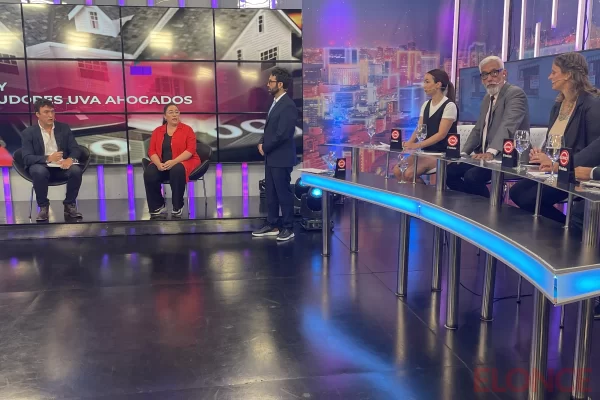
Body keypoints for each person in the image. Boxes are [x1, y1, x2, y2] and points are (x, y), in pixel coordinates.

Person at [509, 52, 600, 223]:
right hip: (554, 170)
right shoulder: (558, 105)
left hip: (574, 173)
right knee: (516, 192)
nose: (549, 77)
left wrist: (561, 165)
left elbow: (595, 149)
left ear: (568, 74)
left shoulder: (592, 103)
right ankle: (561, 227)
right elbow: (553, 141)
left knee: (528, 199)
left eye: (554, 72)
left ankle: (570, 229)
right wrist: (542, 155)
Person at [446, 56, 530, 197]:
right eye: (485, 75)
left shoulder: (515, 94)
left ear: (504, 73)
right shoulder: (487, 98)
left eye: (494, 73)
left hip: (509, 157)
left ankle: (489, 205)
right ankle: (471, 203)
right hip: (485, 157)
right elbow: (478, 128)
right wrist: (464, 153)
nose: (489, 78)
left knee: (472, 176)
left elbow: (508, 125)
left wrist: (491, 152)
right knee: (450, 172)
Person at [252, 67, 298, 241]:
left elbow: (282, 134)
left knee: (283, 194)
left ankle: (288, 227)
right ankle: (272, 224)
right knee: (271, 193)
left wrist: (266, 147)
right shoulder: (275, 102)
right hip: (271, 157)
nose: (267, 84)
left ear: (280, 84)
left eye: (270, 81)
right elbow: (270, 129)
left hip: (281, 157)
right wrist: (261, 141)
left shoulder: (288, 105)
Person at [21, 99, 83, 221]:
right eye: (46, 112)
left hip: (61, 166)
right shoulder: (28, 133)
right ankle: (43, 207)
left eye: (52, 111)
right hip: (41, 165)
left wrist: (70, 159)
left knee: (75, 170)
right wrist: (48, 158)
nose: (50, 115)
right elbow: (27, 158)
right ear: (37, 114)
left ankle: (69, 205)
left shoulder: (63, 128)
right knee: (39, 171)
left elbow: (76, 149)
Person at [393, 69, 457, 182]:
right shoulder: (426, 105)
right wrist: (409, 144)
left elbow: (441, 134)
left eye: (427, 82)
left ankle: (421, 193)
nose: (424, 85)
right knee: (397, 170)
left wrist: (417, 145)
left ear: (438, 84)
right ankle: (415, 192)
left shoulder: (449, 106)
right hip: (425, 151)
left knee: (409, 174)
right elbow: (420, 129)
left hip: (442, 153)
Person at [144, 103, 201, 217]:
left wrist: (174, 162)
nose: (175, 115)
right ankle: (158, 205)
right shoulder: (157, 131)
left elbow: (190, 150)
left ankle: (178, 205)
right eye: (171, 112)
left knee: (177, 169)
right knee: (150, 172)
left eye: (176, 112)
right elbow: (151, 151)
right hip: (162, 163)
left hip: (185, 161)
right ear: (165, 116)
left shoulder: (187, 130)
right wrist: (158, 164)